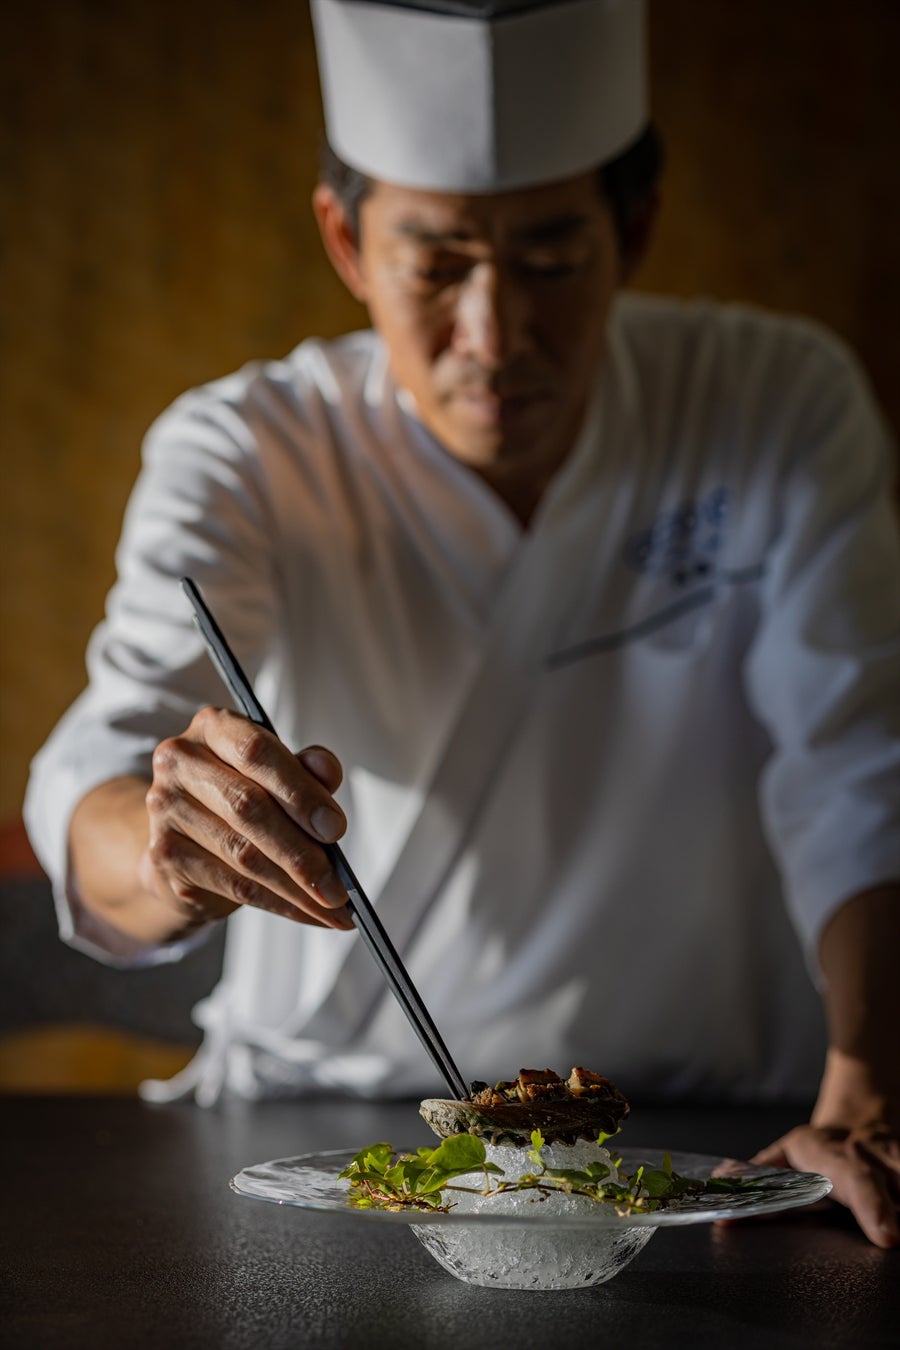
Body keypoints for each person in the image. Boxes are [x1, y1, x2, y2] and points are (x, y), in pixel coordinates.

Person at [24, 0, 900, 1247]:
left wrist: (867, 1091)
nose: (495, 337)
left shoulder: (772, 404)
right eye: (435, 264)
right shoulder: (246, 448)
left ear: (633, 227)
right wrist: (170, 843)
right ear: (345, 239)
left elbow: (857, 764)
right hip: (317, 1143)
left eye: (550, 259)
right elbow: (96, 783)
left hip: (704, 1146)